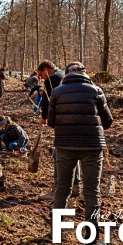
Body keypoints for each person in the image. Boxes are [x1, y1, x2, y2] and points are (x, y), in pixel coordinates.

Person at [48, 61, 113, 241]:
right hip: (92, 146)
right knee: (92, 191)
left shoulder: (57, 92)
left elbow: (51, 122)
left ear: (67, 74)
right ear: (85, 73)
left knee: (62, 189)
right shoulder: (96, 90)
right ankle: (91, 241)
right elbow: (108, 121)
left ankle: (56, 233)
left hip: (65, 145)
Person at [36, 60, 80, 201]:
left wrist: (44, 117)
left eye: (41, 73)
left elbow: (47, 101)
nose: (41, 77)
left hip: (62, 121)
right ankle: (76, 185)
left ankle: (58, 188)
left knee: (59, 153)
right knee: (74, 151)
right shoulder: (64, 76)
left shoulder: (52, 79)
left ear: (46, 69)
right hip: (76, 121)